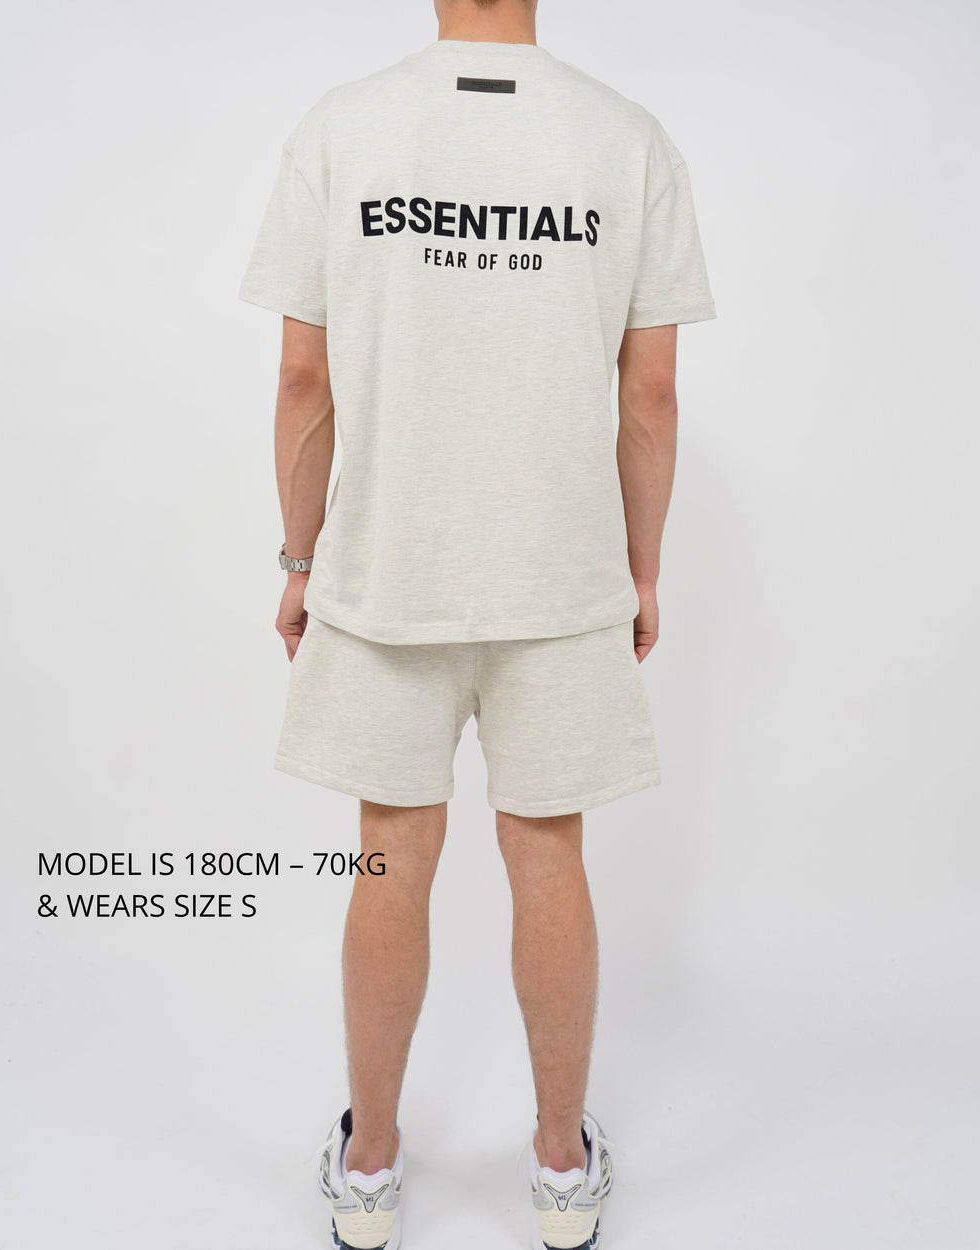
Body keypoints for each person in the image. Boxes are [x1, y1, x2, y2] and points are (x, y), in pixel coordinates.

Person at [237, 0, 716, 1246]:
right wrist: (642, 567)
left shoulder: (343, 129)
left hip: (387, 568)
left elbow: (301, 375)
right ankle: (559, 1168)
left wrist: (299, 557)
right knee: (548, 854)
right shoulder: (626, 139)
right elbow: (651, 394)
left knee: (388, 854)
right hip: (559, 575)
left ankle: (369, 1169)